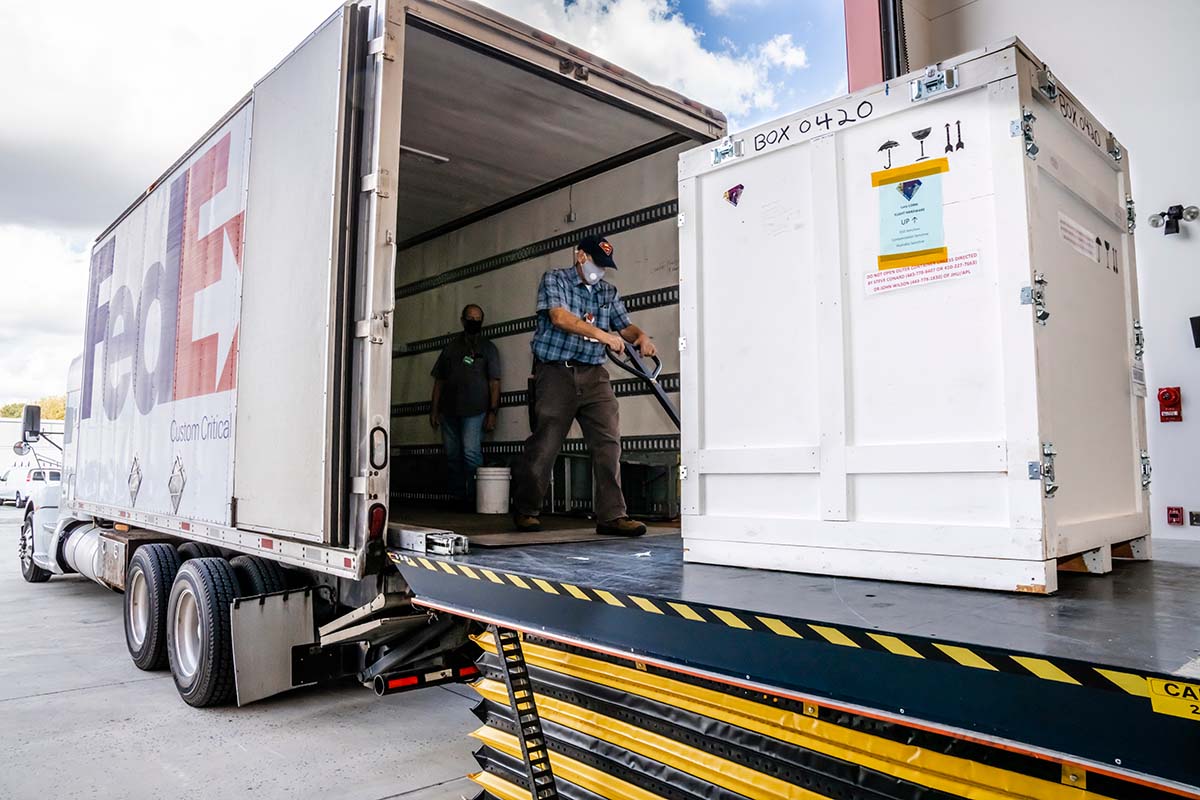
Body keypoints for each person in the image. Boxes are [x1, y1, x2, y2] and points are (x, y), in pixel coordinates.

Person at [511, 235, 655, 536]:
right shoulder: (555, 280)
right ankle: (526, 509)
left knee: (608, 441)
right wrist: (603, 336)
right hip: (555, 373)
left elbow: (624, 326)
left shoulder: (607, 291)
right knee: (546, 442)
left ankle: (612, 515)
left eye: (604, 267)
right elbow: (560, 318)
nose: (599, 271)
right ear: (580, 257)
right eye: (596, 264)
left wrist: (641, 337)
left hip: (594, 375)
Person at [430, 304, 501, 504]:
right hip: (449, 410)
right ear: (462, 320)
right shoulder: (451, 348)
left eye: (478, 319)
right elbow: (439, 381)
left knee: (471, 454)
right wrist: (434, 410)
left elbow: (494, 383)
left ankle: (476, 498)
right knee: (452, 455)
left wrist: (493, 412)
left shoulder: (488, 348)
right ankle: (457, 496)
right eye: (470, 318)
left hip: (475, 410)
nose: (474, 323)